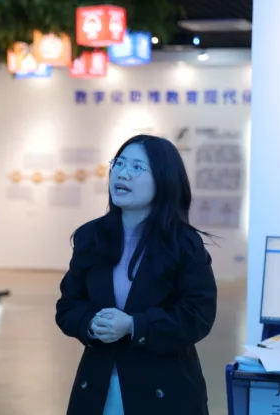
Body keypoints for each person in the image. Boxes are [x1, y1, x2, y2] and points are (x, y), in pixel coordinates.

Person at [55, 134, 218, 415]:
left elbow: (198, 316)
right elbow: (68, 306)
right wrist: (91, 324)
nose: (123, 173)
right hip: (99, 389)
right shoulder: (91, 237)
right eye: (119, 163)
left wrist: (135, 326)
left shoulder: (184, 244)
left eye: (137, 167)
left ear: (164, 180)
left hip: (164, 392)